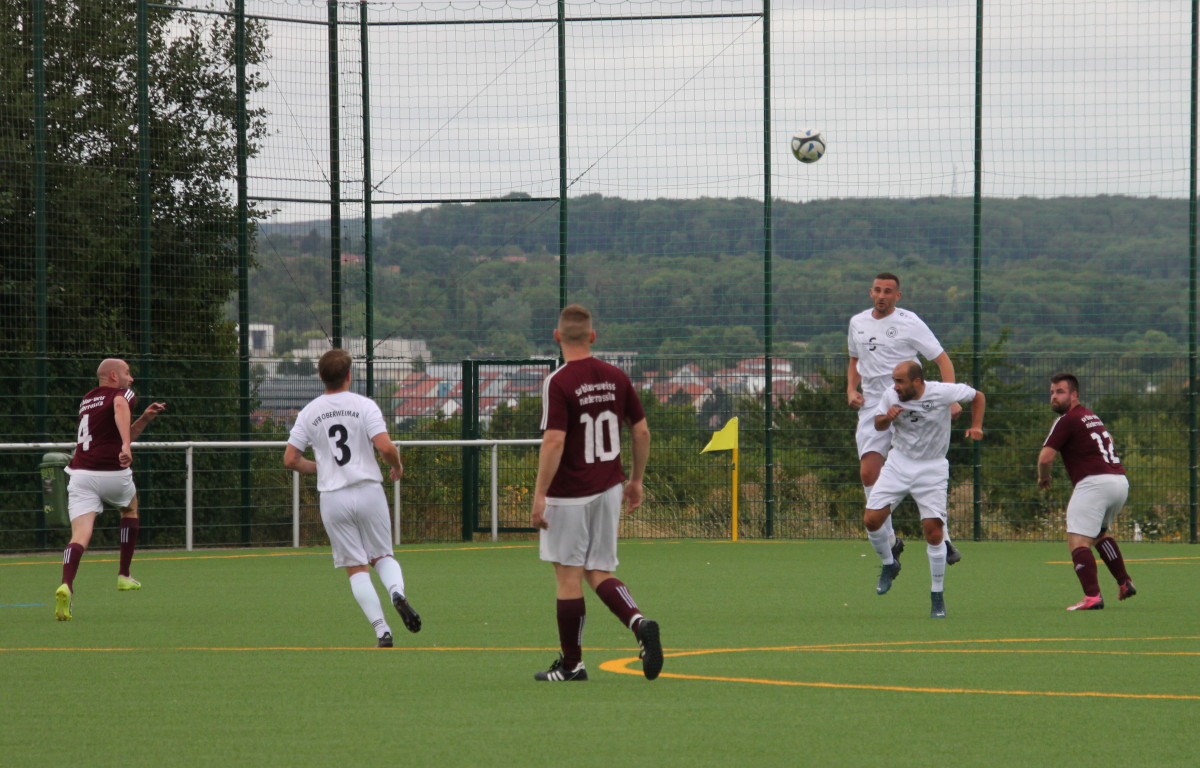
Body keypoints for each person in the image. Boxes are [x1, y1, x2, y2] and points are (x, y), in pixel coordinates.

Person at [530, 304, 661, 682]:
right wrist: (635, 480)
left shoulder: (558, 381)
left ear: (557, 337)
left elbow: (554, 441)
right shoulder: (616, 376)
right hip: (608, 488)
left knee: (569, 577)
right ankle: (639, 624)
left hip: (569, 493)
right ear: (592, 336)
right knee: (598, 570)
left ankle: (572, 665)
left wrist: (539, 495)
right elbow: (642, 431)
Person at [283, 348, 421, 647]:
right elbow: (385, 447)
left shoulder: (309, 412)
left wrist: (321, 468)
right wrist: (397, 466)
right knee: (382, 556)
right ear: (349, 375)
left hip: (333, 498)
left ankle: (382, 632)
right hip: (368, 491)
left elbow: (291, 459)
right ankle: (396, 592)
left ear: (321, 377)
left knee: (355, 567)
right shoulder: (364, 405)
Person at [848, 272, 962, 566]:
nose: (882, 295)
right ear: (870, 292)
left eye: (888, 291)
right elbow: (854, 360)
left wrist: (951, 400)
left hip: (910, 403)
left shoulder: (910, 322)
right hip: (875, 405)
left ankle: (944, 540)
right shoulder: (857, 323)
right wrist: (851, 388)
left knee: (923, 469)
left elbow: (942, 360)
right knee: (868, 473)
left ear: (897, 296)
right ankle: (890, 541)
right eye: (877, 290)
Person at [864, 362, 984, 618]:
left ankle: (937, 596)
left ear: (917, 381)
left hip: (932, 469)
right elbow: (878, 424)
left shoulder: (941, 392)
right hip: (899, 464)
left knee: (933, 531)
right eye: (894, 381)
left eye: (900, 381)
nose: (895, 386)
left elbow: (978, 397)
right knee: (871, 520)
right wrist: (888, 417)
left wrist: (976, 426)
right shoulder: (890, 396)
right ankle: (889, 564)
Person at [56, 358, 166, 621]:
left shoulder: (87, 400)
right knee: (130, 508)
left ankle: (66, 585)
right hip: (112, 472)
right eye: (128, 373)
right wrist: (126, 447)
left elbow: (117, 430)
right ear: (114, 376)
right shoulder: (121, 394)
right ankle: (124, 575)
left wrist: (143, 420)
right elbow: (119, 407)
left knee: (80, 535)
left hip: (81, 473)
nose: (132, 379)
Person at [1037, 373, 1136, 611]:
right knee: (1099, 534)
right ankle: (1124, 582)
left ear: (1074, 395)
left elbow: (1046, 457)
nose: (1054, 397)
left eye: (1060, 392)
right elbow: (1108, 439)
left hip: (1095, 483)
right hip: (1119, 481)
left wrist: (1044, 477)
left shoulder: (1067, 420)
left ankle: (1092, 597)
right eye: (1052, 392)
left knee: (1078, 541)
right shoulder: (1091, 416)